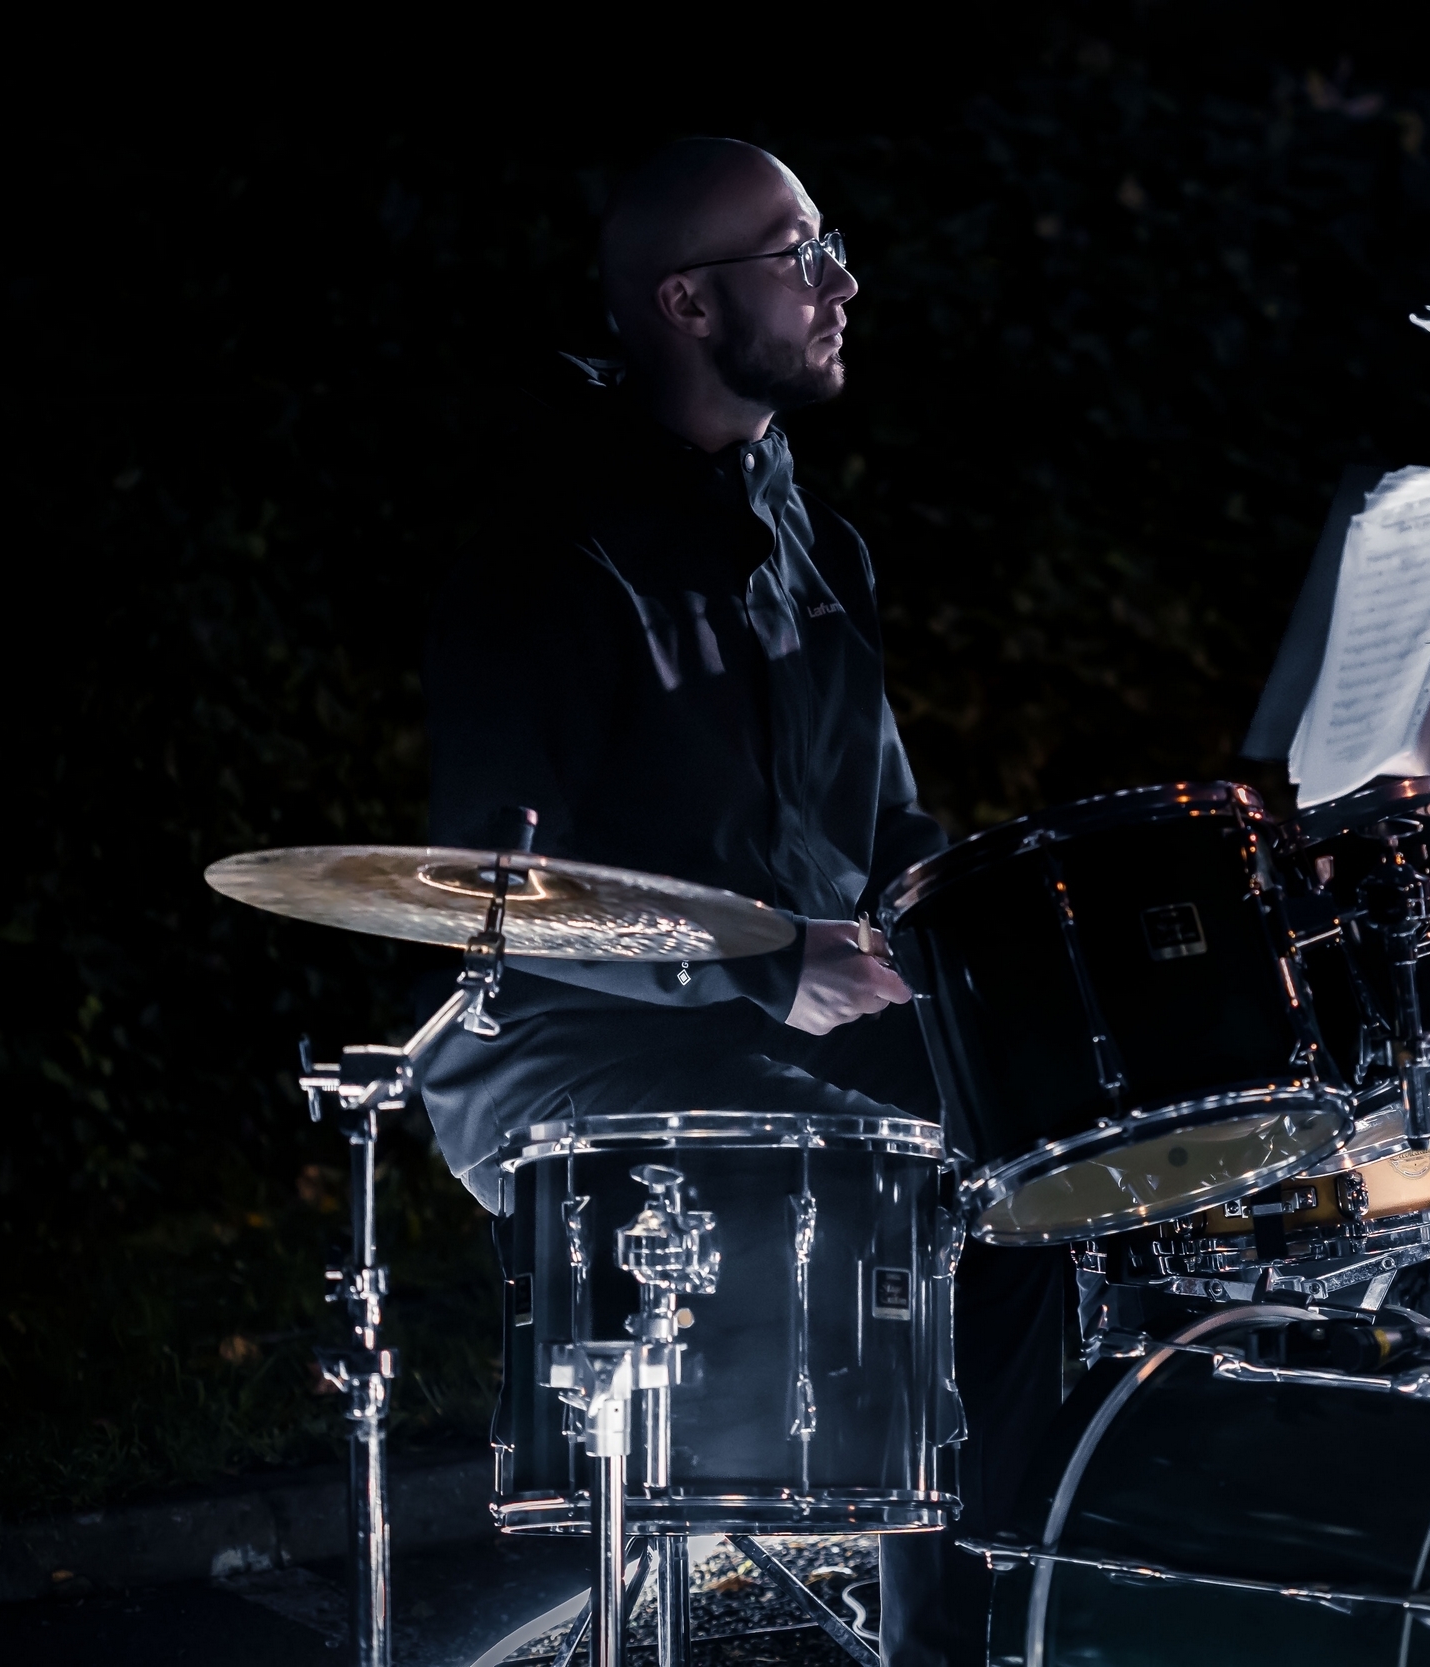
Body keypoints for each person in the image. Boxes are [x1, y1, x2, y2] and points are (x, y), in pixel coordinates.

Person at [416, 138, 1066, 1667]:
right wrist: (766, 967)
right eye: (800, 253)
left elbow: (889, 832)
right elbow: (498, 897)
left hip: (786, 1022)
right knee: (918, 1195)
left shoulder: (820, 547)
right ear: (689, 303)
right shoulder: (545, 550)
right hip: (574, 1050)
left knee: (1055, 1160)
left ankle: (992, 1608)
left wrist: (1003, 934)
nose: (843, 283)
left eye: (833, 245)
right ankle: (915, 1630)